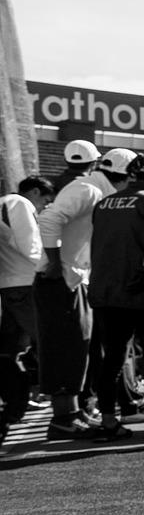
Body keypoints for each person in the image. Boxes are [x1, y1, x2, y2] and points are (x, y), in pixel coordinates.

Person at [86, 149, 144, 439]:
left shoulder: (103, 204)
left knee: (111, 359)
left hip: (104, 291)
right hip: (139, 292)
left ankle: (107, 420)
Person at [36, 139, 105, 438]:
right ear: (96, 162)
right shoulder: (84, 187)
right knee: (66, 349)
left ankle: (72, 414)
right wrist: (53, 261)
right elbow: (49, 219)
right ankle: (63, 419)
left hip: (67, 277)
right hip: (61, 279)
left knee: (74, 348)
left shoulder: (65, 184)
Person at [1, 176, 53, 444]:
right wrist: (53, 267)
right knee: (50, 342)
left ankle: (15, 405)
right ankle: (61, 402)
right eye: (44, 200)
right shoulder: (18, 203)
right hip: (24, 284)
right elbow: (31, 246)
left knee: (12, 351)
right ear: (34, 192)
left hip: (9, 286)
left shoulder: (6, 204)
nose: (45, 207)